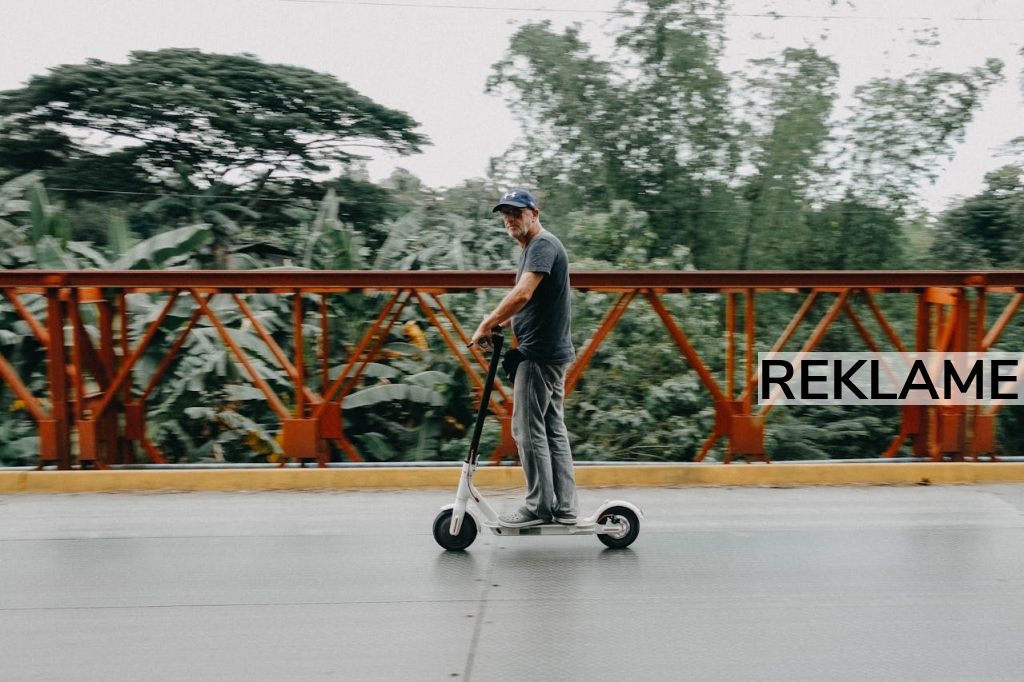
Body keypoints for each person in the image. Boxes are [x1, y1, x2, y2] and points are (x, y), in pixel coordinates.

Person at [470, 189, 578, 528]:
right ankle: (564, 508)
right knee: (551, 429)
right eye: (505, 213)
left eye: (516, 211)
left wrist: (486, 323)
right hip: (551, 352)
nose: (509, 218)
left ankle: (539, 507)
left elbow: (523, 293)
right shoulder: (535, 247)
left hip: (539, 354)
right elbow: (530, 301)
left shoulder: (542, 245)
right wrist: (500, 324)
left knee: (526, 430)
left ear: (534, 212)